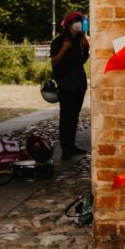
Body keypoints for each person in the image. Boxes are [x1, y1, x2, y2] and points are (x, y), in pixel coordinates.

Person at [50, 11, 90, 160]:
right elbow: (54, 61)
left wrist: (86, 48)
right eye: (75, 21)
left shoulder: (81, 41)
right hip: (66, 84)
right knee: (65, 116)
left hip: (79, 84)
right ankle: (65, 146)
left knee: (74, 116)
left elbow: (81, 61)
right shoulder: (59, 41)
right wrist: (64, 49)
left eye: (79, 20)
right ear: (68, 25)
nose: (78, 24)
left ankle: (71, 145)